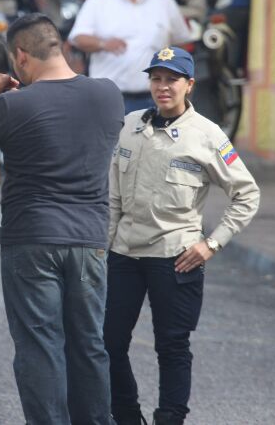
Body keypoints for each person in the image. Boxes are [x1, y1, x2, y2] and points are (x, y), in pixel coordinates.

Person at [0, 13, 124, 424]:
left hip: (32, 238)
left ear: (20, 56)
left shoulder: (11, 106)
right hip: (90, 238)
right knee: (89, 344)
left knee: (40, 348)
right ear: (59, 47)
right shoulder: (108, 95)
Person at [105, 46, 260, 425]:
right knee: (107, 343)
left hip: (176, 256)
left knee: (172, 346)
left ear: (189, 85)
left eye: (171, 79)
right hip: (123, 252)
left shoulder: (207, 136)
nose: (162, 87)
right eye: (156, 79)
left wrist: (211, 244)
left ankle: (169, 418)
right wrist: (103, 245)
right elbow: (112, 194)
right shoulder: (129, 125)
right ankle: (126, 416)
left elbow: (247, 194)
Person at [70, 0, 190, 114]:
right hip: (109, 102)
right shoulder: (96, 2)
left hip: (157, 102)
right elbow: (78, 38)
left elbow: (183, 46)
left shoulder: (164, 2)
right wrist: (103, 44)